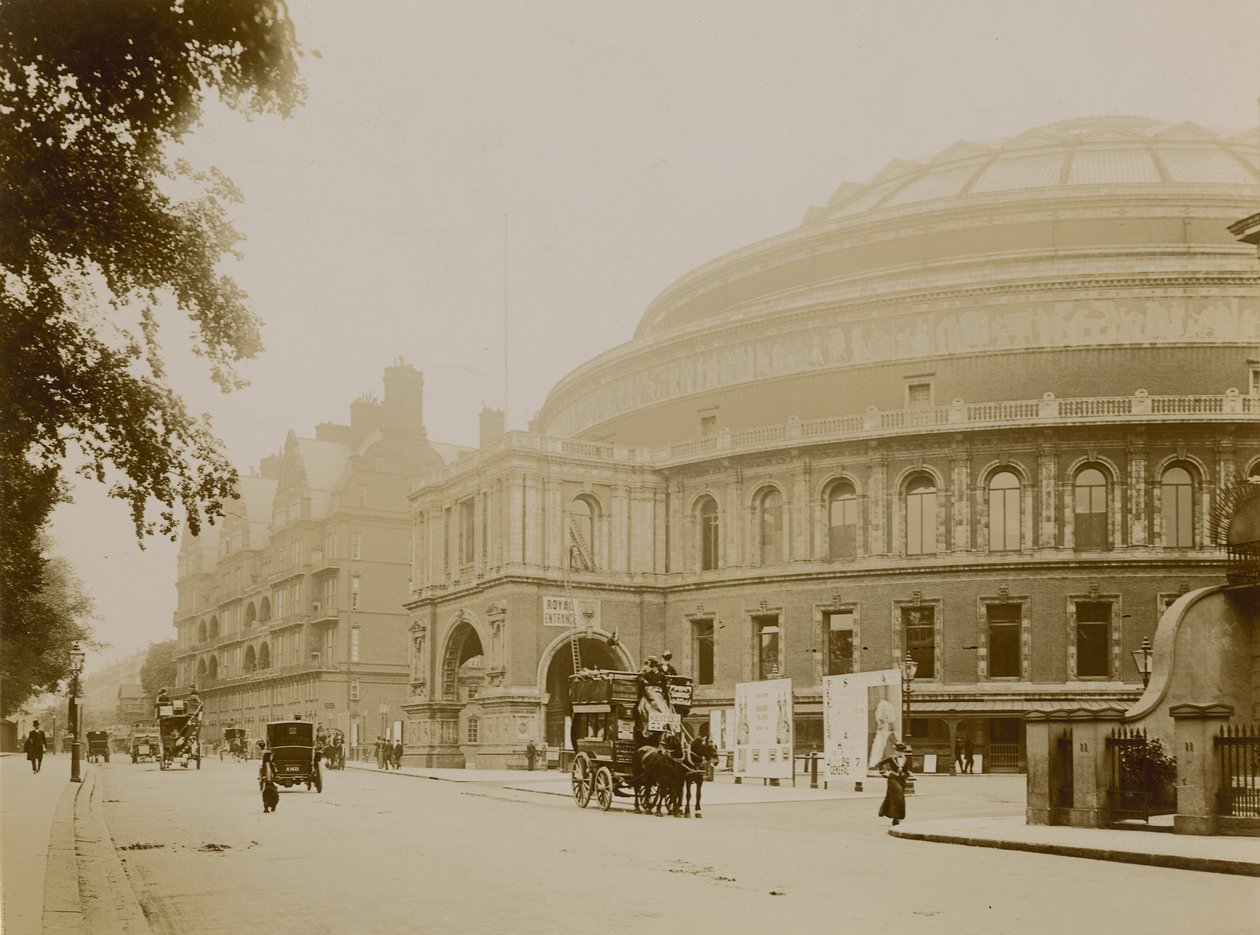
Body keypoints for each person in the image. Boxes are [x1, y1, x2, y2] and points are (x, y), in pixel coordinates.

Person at [876, 742, 912, 826]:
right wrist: (883, 773)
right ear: (896, 751)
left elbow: (906, 771)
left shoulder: (905, 759)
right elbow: (880, 763)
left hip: (901, 780)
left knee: (897, 798)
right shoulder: (891, 758)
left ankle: (892, 816)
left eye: (902, 751)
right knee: (898, 796)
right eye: (899, 751)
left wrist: (906, 775)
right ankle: (895, 816)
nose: (901, 752)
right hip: (892, 778)